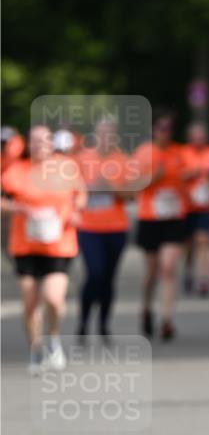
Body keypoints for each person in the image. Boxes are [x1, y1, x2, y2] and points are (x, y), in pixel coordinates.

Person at [1, 125, 86, 373]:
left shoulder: (66, 167)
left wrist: (77, 211)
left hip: (59, 243)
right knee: (29, 302)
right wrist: (18, 209)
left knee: (53, 298)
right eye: (35, 141)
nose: (40, 145)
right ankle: (36, 351)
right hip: (25, 244)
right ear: (28, 144)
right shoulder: (17, 171)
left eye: (45, 140)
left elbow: (80, 193)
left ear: (52, 144)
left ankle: (53, 338)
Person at [133, 110, 188, 340]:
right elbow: (132, 186)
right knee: (152, 271)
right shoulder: (144, 153)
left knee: (168, 267)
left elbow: (186, 179)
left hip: (174, 216)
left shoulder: (179, 153)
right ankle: (146, 307)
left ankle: (166, 319)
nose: (165, 133)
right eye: (161, 128)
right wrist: (154, 177)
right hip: (150, 217)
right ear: (153, 130)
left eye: (168, 129)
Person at [76, 118, 131, 339]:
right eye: (102, 133)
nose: (106, 138)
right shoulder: (82, 159)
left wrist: (111, 188)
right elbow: (70, 190)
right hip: (88, 227)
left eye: (110, 134)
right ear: (95, 135)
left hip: (116, 227)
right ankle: (83, 320)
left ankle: (104, 323)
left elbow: (132, 195)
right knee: (95, 273)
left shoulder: (124, 160)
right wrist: (88, 189)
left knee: (108, 277)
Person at [181, 122, 209, 297]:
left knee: (204, 240)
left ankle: (204, 279)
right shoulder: (181, 153)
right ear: (190, 138)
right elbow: (174, 176)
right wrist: (192, 173)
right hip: (186, 205)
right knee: (189, 244)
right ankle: (188, 270)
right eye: (195, 137)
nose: (198, 140)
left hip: (206, 205)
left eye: (201, 137)